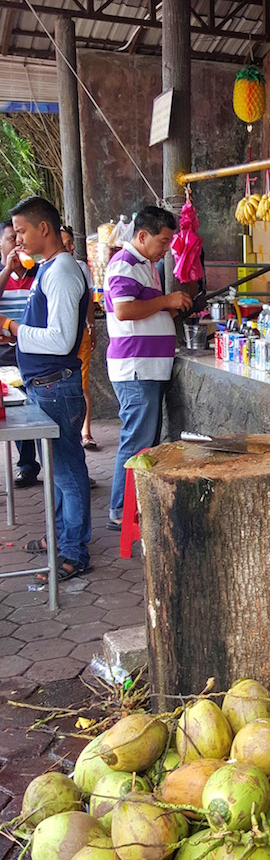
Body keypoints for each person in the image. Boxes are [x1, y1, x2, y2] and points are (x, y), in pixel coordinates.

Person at [0, 196, 91, 581]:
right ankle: (59, 537)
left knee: (68, 472)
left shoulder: (63, 272)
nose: (17, 239)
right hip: (45, 384)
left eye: (21, 231)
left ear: (44, 228)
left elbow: (60, 339)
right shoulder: (48, 269)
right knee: (57, 470)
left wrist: (11, 328)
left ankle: (74, 551)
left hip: (57, 385)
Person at [104, 206, 192, 532]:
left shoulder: (147, 265)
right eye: (163, 241)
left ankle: (133, 507)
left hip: (149, 366)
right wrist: (166, 302)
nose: (167, 248)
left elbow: (147, 311)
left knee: (145, 441)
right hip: (136, 368)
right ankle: (121, 510)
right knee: (136, 442)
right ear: (142, 236)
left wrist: (172, 307)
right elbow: (125, 310)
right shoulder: (124, 264)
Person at [0, 219, 40, 486]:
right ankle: (26, 465)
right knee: (13, 410)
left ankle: (59, 466)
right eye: (11, 238)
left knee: (38, 406)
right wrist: (6, 269)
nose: (17, 243)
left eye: (20, 237)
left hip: (34, 348)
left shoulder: (39, 271)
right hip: (4, 350)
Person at [61, 226, 97, 450]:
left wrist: (91, 326)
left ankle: (86, 432)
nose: (72, 247)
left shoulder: (81, 267)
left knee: (82, 386)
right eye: (66, 243)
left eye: (71, 243)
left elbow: (90, 299)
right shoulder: (44, 269)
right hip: (60, 338)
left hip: (81, 333)